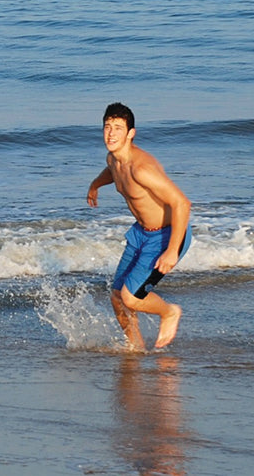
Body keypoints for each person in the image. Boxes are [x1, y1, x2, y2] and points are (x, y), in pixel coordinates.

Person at [87, 102, 192, 350]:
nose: (111, 134)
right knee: (116, 296)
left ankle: (169, 312)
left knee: (131, 298)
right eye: (107, 127)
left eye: (118, 128)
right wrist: (95, 185)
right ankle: (135, 348)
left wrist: (171, 251)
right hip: (141, 233)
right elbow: (112, 171)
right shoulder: (113, 158)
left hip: (166, 237)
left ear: (130, 133)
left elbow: (182, 203)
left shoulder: (141, 169)